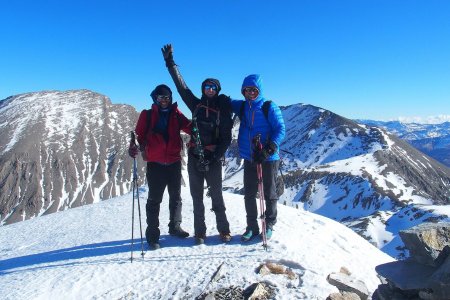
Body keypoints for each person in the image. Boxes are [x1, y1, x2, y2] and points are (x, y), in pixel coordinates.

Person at [161, 44, 233, 245]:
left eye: (212, 88)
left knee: (217, 196)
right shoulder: (196, 104)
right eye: (206, 87)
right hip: (194, 156)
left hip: (213, 158)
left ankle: (224, 230)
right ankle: (199, 232)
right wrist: (170, 63)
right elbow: (181, 87)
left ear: (217, 90)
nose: (209, 90)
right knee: (197, 199)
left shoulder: (223, 109)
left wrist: (215, 156)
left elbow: (226, 138)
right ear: (203, 89)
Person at [128, 84, 191, 250]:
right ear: (155, 98)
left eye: (167, 97)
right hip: (155, 164)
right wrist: (134, 147)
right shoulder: (147, 115)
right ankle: (152, 235)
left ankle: (175, 227)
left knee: (176, 197)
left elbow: (190, 127)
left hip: (174, 162)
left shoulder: (176, 114)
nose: (164, 100)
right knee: (155, 200)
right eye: (161, 97)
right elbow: (139, 136)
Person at [230, 74, 285, 242]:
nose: (251, 93)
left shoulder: (269, 107)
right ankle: (252, 227)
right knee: (249, 194)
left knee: (269, 193)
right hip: (249, 157)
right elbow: (226, 101)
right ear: (243, 91)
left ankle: (269, 224)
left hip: (268, 158)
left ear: (259, 90)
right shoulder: (242, 106)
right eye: (247, 90)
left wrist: (268, 149)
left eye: (254, 90)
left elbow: (280, 129)